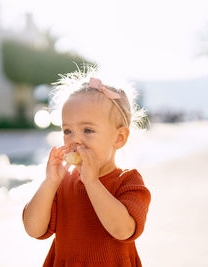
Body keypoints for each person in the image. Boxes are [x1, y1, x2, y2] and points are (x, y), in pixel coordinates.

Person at [22, 68, 151, 266]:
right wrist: (49, 183)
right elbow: (33, 229)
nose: (75, 140)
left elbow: (123, 230)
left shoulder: (129, 182)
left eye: (88, 130)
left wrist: (91, 182)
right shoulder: (61, 184)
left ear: (118, 138)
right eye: (68, 131)